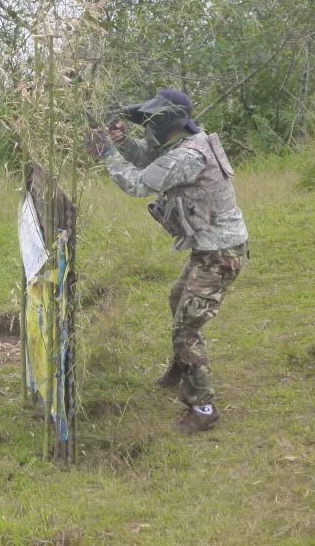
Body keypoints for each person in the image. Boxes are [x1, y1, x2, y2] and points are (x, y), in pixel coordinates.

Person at [85, 89, 249, 433]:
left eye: (152, 124)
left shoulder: (187, 157)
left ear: (170, 125)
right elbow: (148, 158)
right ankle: (182, 366)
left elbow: (138, 183)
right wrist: (123, 140)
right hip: (211, 247)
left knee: (186, 328)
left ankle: (203, 407)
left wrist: (106, 151)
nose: (149, 130)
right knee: (177, 300)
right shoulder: (189, 141)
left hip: (221, 253)